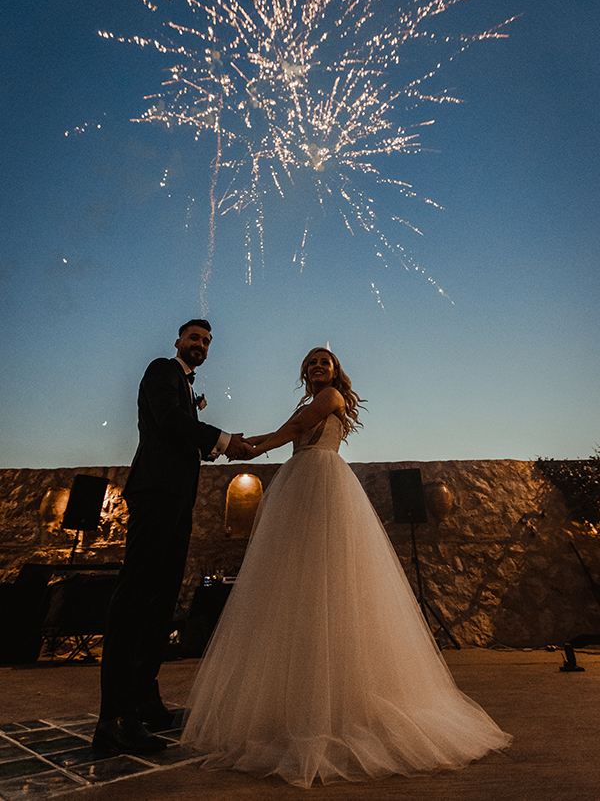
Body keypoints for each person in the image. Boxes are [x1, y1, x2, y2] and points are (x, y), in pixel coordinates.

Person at [181, 347, 512, 788]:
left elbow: (292, 430)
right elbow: (287, 431)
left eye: (326, 362)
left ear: (336, 372)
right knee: (296, 582)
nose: (319, 366)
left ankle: (340, 708)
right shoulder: (308, 402)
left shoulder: (330, 398)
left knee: (328, 572)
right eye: (312, 362)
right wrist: (241, 444)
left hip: (321, 481)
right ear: (304, 371)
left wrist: (247, 449)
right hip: (300, 481)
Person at [93, 319, 252, 755]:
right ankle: (113, 718)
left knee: (161, 600)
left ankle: (145, 699)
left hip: (178, 497)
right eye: (194, 338)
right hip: (156, 492)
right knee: (136, 595)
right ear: (178, 341)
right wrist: (224, 440)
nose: (200, 344)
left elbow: (185, 436)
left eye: (206, 341)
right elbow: (167, 420)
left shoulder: (186, 385)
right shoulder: (162, 369)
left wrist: (216, 446)